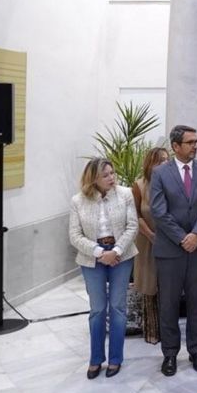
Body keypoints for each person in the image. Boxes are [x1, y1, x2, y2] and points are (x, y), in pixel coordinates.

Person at [149, 125, 197, 377]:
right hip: (170, 250)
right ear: (176, 146)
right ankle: (169, 354)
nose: (194, 146)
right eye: (190, 142)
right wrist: (182, 238)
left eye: (196, 142)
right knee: (168, 304)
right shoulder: (160, 173)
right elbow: (158, 210)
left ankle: (196, 350)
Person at [69, 158, 138, 379]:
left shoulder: (125, 194)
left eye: (112, 173)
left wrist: (116, 251)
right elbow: (74, 235)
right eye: (106, 175)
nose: (112, 178)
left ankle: (115, 359)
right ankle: (96, 359)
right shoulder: (78, 201)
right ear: (93, 179)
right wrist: (100, 253)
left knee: (117, 308)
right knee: (98, 310)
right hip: (92, 258)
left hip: (121, 255)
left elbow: (132, 226)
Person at [131, 147, 169, 345]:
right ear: (150, 164)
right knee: (149, 286)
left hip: (170, 241)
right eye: (159, 160)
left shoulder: (173, 184)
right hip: (148, 241)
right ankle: (152, 330)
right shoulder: (139, 185)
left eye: (166, 160)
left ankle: (168, 331)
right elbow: (135, 215)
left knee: (168, 286)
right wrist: (150, 234)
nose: (164, 163)